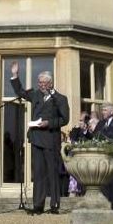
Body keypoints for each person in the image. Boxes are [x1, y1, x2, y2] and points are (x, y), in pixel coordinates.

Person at [8, 61, 69, 215]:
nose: (41, 85)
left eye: (44, 83)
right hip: (36, 139)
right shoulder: (35, 94)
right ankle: (38, 205)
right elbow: (21, 92)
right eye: (39, 82)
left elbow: (65, 119)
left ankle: (54, 204)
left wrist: (49, 123)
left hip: (51, 139)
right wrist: (15, 75)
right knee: (39, 173)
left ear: (50, 83)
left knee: (52, 173)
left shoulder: (60, 99)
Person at [94, 103, 113, 210]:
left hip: (112, 157)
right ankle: (104, 205)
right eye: (102, 110)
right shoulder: (100, 123)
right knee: (103, 183)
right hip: (101, 158)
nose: (102, 112)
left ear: (111, 111)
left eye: (105, 110)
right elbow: (94, 137)